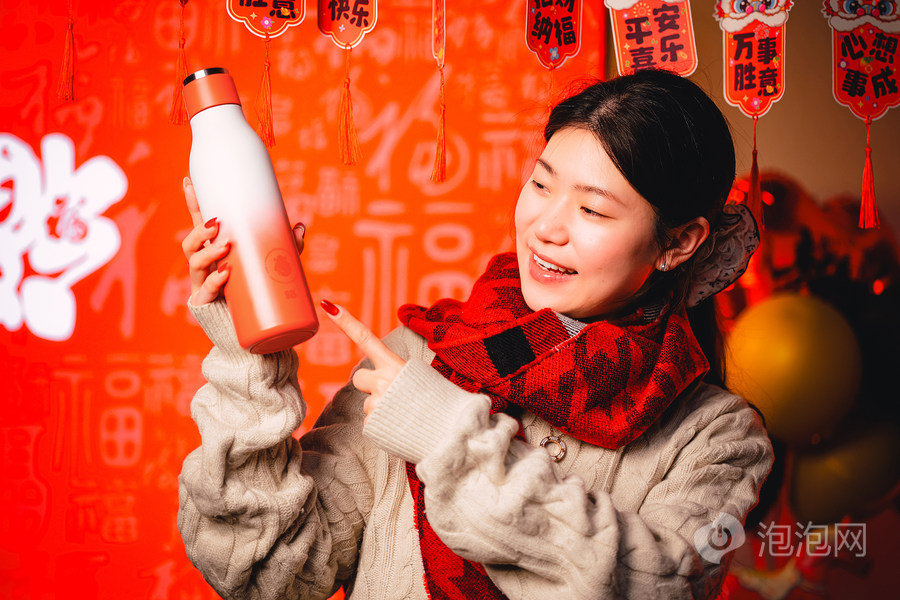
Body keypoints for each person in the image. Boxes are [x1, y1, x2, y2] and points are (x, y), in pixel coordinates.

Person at [177, 68, 773, 600]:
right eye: (541, 185)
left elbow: (659, 586)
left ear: (679, 242)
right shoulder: (421, 357)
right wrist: (247, 351)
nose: (545, 227)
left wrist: (449, 437)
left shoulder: (717, 436)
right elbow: (272, 576)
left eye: (592, 210)